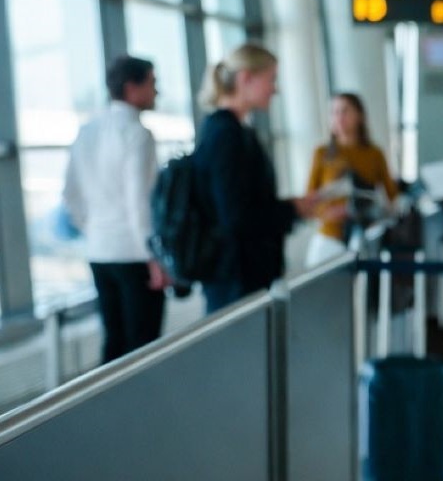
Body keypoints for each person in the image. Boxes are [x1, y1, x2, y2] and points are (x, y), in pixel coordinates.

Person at [192, 44, 317, 313]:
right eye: (271, 79)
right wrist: (291, 209)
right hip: (236, 280)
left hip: (246, 275)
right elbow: (236, 216)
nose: (275, 89)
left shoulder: (235, 131)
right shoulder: (226, 134)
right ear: (246, 78)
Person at [62, 55, 169, 362]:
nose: (156, 92)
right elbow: (140, 201)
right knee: (143, 348)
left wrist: (94, 228)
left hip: (99, 250)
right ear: (131, 88)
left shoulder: (87, 131)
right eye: (152, 83)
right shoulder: (138, 134)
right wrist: (153, 256)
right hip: (134, 254)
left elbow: (70, 195)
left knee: (113, 342)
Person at [304, 92, 399, 265]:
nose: (339, 117)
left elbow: (392, 196)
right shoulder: (322, 153)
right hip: (330, 235)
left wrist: (374, 211)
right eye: (334, 112)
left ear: (359, 115)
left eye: (345, 111)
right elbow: (309, 200)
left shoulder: (374, 154)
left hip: (363, 234)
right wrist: (327, 213)